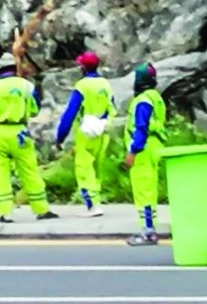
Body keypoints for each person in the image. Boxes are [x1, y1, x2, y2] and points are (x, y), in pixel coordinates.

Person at [0, 52, 59, 223]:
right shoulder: (26, 86)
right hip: (20, 132)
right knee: (29, 170)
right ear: (15, 69)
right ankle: (41, 209)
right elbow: (35, 109)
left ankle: (5, 212)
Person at [55, 51, 116, 217]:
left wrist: (60, 136)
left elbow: (70, 113)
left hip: (85, 132)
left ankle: (92, 205)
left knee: (84, 169)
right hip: (102, 131)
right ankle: (98, 201)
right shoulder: (105, 84)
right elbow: (112, 106)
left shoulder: (82, 86)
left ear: (83, 67)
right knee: (97, 169)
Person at [123, 62, 166, 246]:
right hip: (155, 146)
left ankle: (148, 232)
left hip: (143, 149)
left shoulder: (142, 101)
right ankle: (150, 228)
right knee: (150, 188)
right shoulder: (156, 97)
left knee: (143, 191)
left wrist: (133, 150)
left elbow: (141, 127)